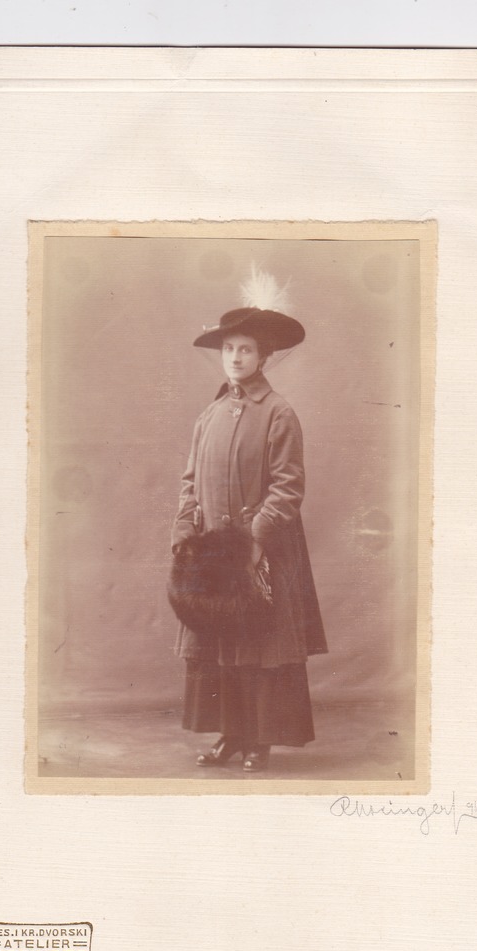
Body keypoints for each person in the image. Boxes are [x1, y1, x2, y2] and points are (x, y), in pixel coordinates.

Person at [170, 299, 327, 772]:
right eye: (230, 350)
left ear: (263, 358)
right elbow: (190, 480)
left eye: (246, 350)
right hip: (215, 554)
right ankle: (230, 735)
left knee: (260, 647)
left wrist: (255, 540)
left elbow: (288, 485)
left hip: (263, 552)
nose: (236, 358)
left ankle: (261, 740)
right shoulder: (209, 416)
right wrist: (185, 530)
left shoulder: (278, 413)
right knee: (220, 647)